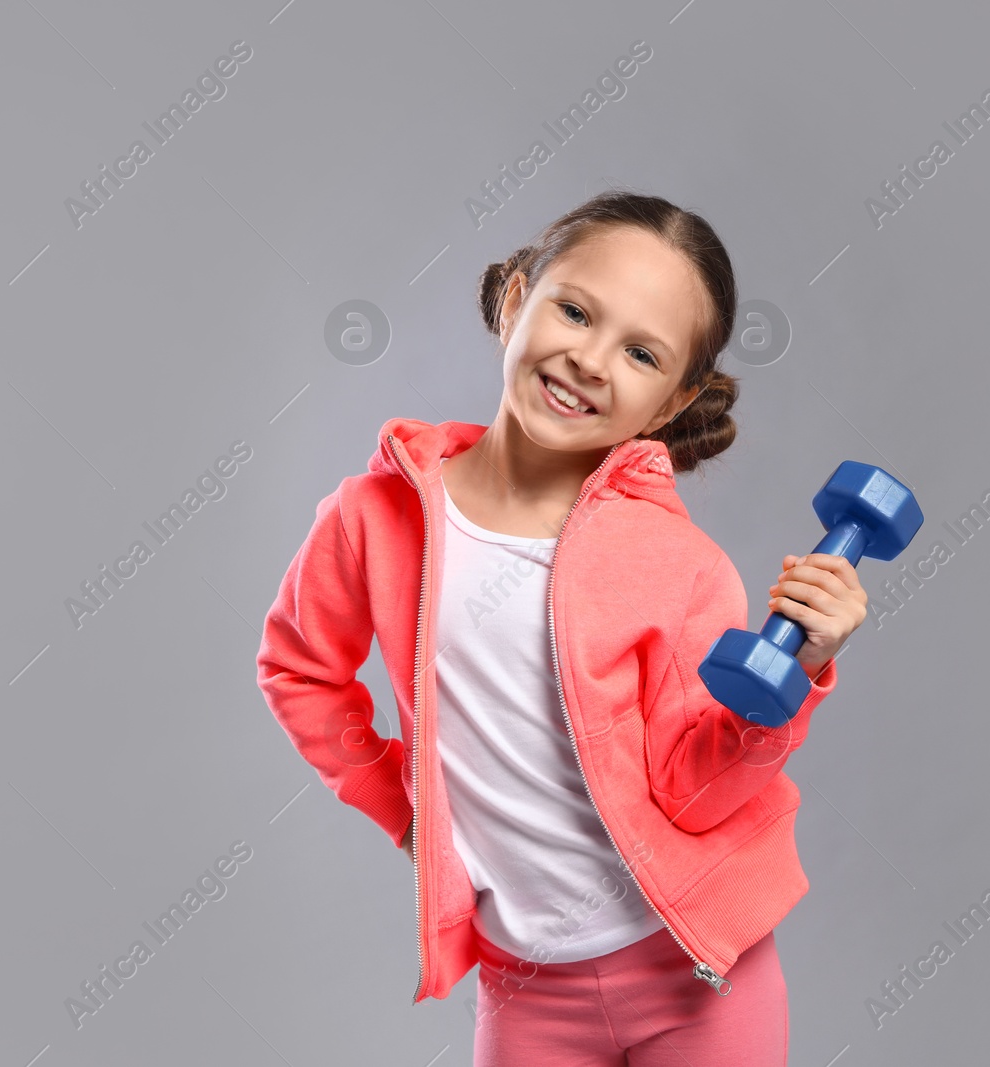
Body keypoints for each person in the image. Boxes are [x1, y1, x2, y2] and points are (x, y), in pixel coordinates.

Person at [257, 190, 869, 1065]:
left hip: (694, 979)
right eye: (575, 311)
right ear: (516, 299)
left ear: (672, 399)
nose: (589, 359)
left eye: (641, 352)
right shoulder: (373, 518)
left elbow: (695, 791)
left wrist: (801, 667)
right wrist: (406, 814)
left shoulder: (682, 568)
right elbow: (299, 670)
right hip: (525, 987)